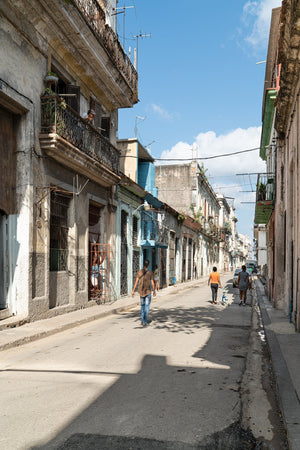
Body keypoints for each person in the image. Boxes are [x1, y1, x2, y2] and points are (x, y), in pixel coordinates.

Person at [132, 260, 156, 326]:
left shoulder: (139, 272)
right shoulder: (150, 273)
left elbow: (136, 282)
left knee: (142, 306)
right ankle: (145, 321)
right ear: (148, 265)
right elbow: (152, 283)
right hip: (148, 291)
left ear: (143, 264)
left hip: (141, 292)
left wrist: (133, 290)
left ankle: (142, 321)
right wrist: (154, 291)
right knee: (147, 307)